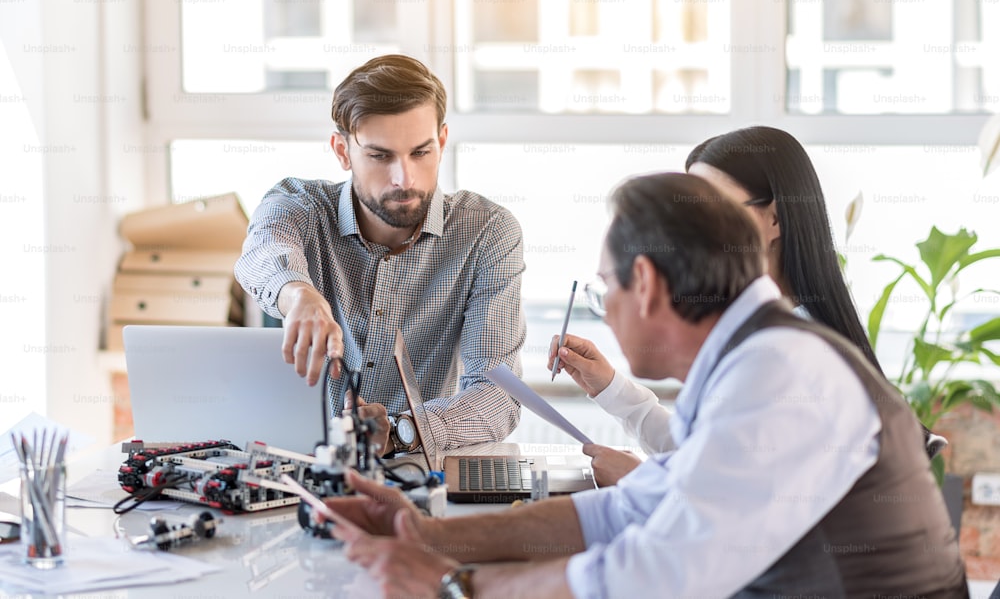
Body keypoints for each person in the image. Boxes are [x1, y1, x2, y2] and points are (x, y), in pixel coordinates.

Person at [317, 172, 966, 597]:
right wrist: (429, 533)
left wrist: (455, 584)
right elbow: (626, 510)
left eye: (606, 287)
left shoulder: (781, 372)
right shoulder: (754, 361)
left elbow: (660, 574)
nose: (606, 305)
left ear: (647, 284)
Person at [554, 126, 944, 485]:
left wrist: (645, 482)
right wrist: (609, 387)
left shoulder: (789, 351)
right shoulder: (755, 328)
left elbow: (739, 495)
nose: (692, 229)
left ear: (774, 218)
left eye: (713, 207)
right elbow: (716, 456)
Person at [235, 54, 525, 455]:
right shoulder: (298, 204)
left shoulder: (487, 233)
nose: (403, 178)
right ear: (342, 150)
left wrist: (399, 430)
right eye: (380, 156)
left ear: (441, 142)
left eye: (420, 153)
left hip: (411, 470)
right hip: (293, 468)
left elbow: (499, 395)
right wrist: (297, 294)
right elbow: (263, 251)